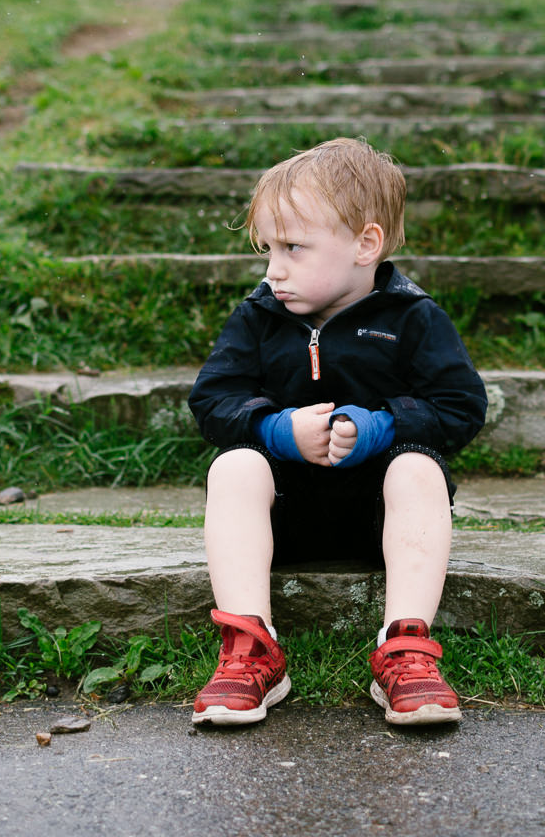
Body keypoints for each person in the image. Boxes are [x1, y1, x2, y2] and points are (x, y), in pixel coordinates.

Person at [187, 137, 487, 727]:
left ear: (365, 244)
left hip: (383, 522)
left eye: (294, 248)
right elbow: (211, 400)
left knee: (419, 468)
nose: (275, 270)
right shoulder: (258, 317)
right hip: (281, 517)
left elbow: (460, 406)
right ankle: (251, 649)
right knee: (233, 466)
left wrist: (384, 427)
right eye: (268, 249)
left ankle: (406, 648)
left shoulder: (413, 318)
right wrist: (274, 430)